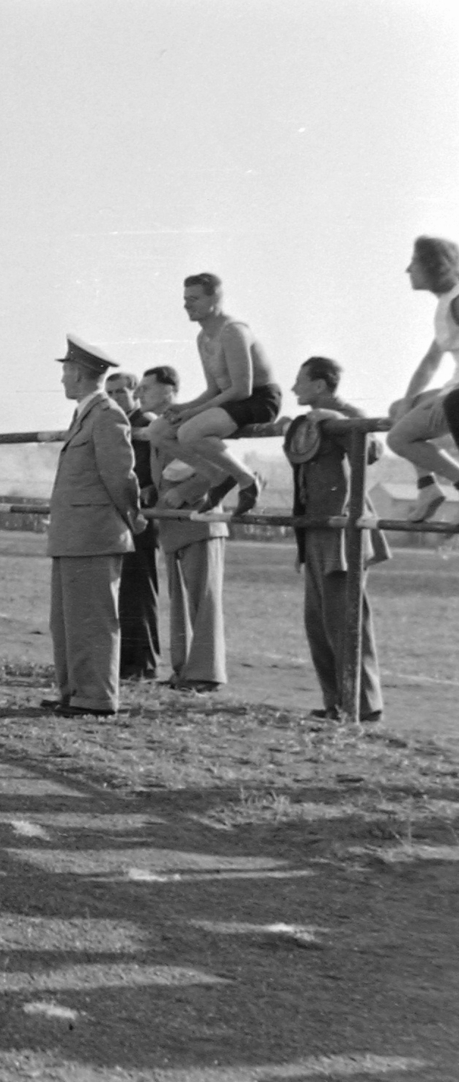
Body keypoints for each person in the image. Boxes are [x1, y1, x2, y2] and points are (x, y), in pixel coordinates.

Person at [42, 337, 145, 718]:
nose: (63, 379)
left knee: (93, 621)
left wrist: (131, 517)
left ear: (81, 375)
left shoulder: (106, 415)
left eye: (66, 371)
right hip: (74, 533)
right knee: (67, 621)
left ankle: (97, 696)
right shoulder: (88, 413)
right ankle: (74, 691)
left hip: (94, 534)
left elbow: (120, 477)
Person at [287, 356, 388, 723]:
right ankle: (336, 702)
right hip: (316, 528)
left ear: (319, 385)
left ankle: (363, 705)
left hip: (342, 531)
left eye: (300, 381)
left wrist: (337, 423)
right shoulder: (306, 422)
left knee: (345, 621)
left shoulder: (345, 413)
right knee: (318, 623)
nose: (294, 388)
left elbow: (372, 451)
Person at [148, 273, 281, 516]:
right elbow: (213, 389)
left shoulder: (232, 331)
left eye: (195, 298)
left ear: (215, 298)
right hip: (229, 400)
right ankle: (217, 476)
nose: (187, 305)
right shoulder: (202, 337)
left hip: (260, 399)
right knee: (156, 431)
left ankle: (246, 480)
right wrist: (183, 407)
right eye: (185, 298)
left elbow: (243, 389)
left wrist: (195, 412)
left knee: (189, 432)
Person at [140, 366, 228, 693]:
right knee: (178, 603)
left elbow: (220, 468)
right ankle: (184, 671)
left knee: (202, 602)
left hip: (200, 520)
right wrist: (153, 490)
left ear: (169, 391)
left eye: (147, 388)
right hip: (172, 523)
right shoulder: (159, 428)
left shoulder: (192, 422)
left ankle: (206, 674)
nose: (140, 395)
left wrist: (186, 492)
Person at [386, 236, 459, 521]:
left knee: (398, 438)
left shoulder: (455, 301)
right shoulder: (447, 302)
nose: (408, 270)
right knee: (396, 410)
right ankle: (428, 489)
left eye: (414, 262)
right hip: (452, 388)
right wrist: (406, 403)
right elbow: (429, 363)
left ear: (434, 266)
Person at [106, 371, 159, 681]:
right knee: (123, 590)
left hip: (141, 515)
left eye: (120, 393)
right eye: (110, 394)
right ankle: (127, 660)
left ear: (135, 393)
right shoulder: (115, 423)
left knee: (139, 591)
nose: (115, 399)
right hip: (120, 515)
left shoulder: (146, 423)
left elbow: (149, 472)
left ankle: (143, 662)